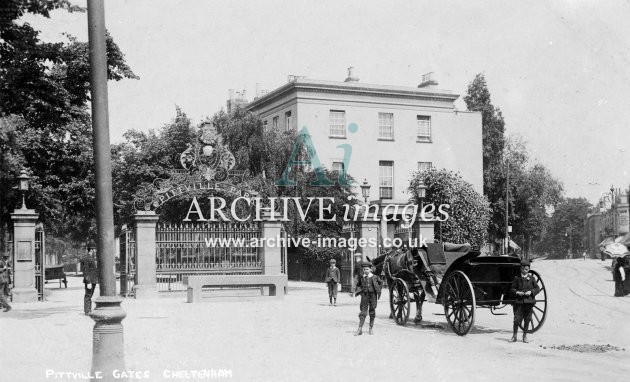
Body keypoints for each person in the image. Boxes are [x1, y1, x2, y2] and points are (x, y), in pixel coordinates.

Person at [510, 260, 540, 343]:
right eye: (523, 269)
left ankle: (525, 336)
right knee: (516, 319)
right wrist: (517, 292)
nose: (524, 271)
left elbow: (537, 288)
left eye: (526, 269)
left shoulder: (532, 278)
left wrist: (531, 292)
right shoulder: (517, 278)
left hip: (529, 302)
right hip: (519, 302)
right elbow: (512, 289)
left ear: (528, 269)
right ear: (520, 269)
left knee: (528, 319)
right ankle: (514, 336)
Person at [353, 262, 382, 336]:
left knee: (372, 311)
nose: (366, 270)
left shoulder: (375, 277)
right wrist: (358, 291)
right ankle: (359, 329)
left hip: (373, 296)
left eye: (367, 269)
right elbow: (358, 285)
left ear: (371, 269)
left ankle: (371, 327)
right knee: (363, 312)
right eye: (364, 269)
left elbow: (380, 283)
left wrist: (378, 289)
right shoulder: (362, 277)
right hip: (364, 295)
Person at [80, 244, 99, 315]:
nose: (95, 251)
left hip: (93, 279)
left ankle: (89, 309)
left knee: (90, 295)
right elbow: (86, 271)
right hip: (90, 280)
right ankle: (87, 311)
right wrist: (88, 282)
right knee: (88, 295)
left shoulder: (91, 257)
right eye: (94, 249)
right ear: (91, 249)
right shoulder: (87, 258)